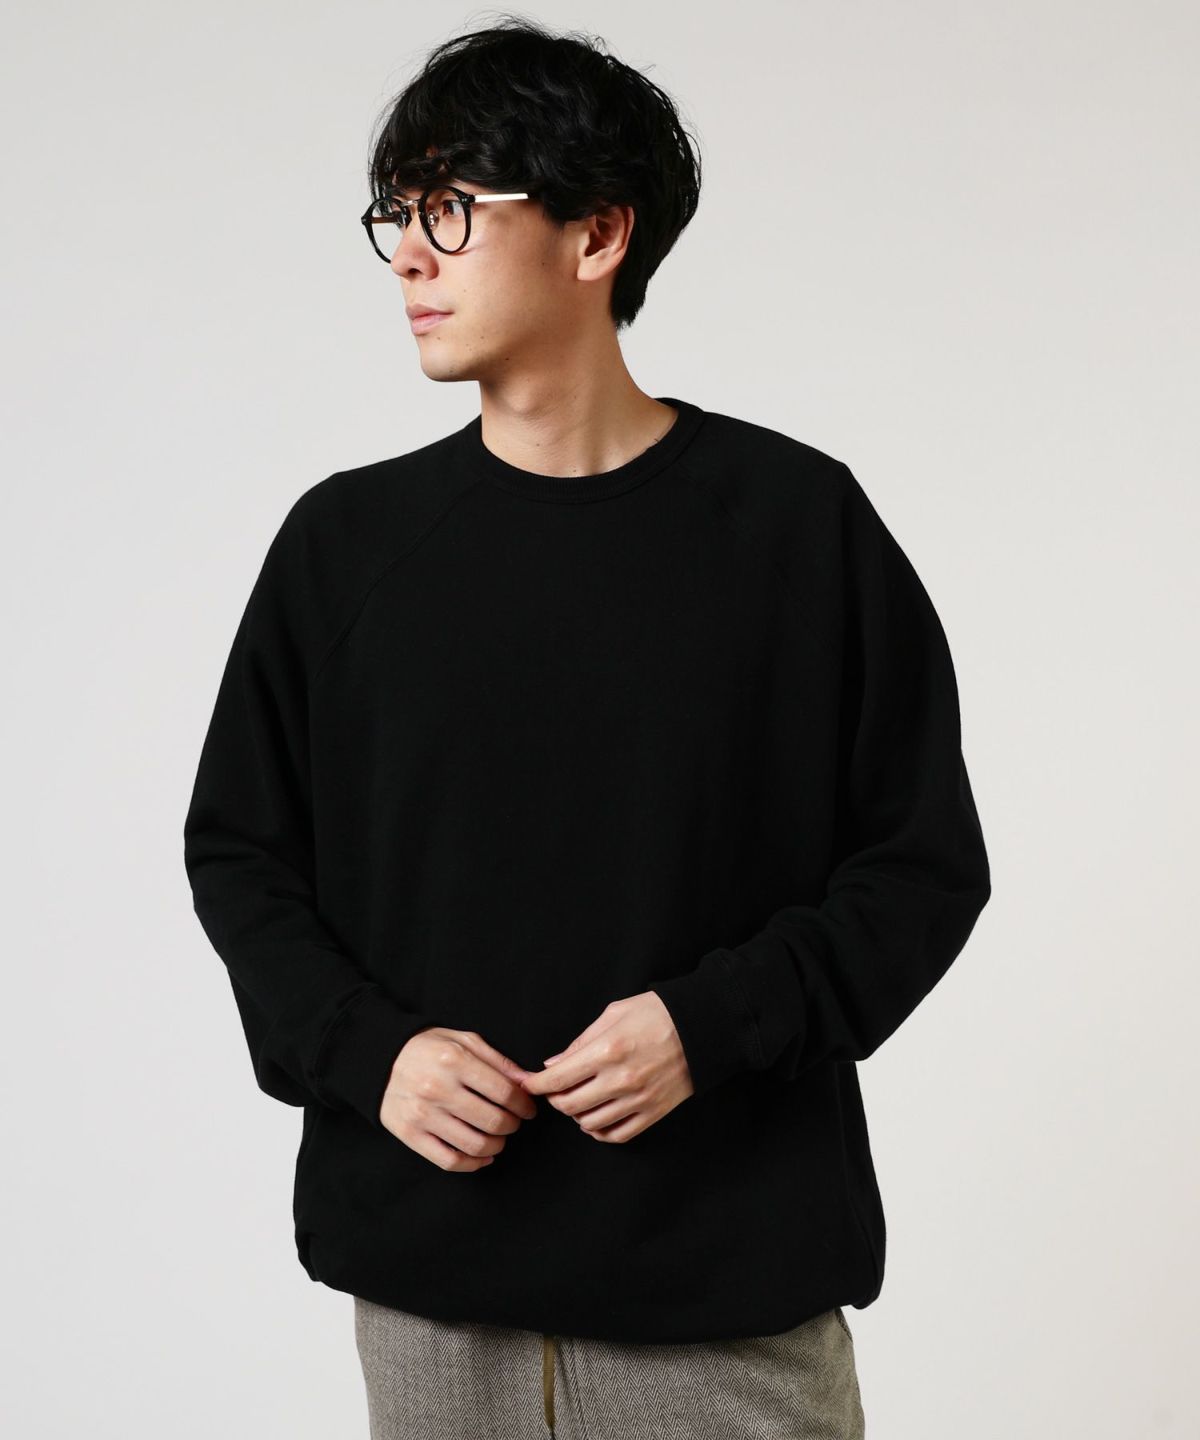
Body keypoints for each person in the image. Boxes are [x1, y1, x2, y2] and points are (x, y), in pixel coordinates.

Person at [182, 15, 991, 1439]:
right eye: (396, 215)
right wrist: (372, 1054)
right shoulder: (346, 547)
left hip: (726, 1302)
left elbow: (921, 867)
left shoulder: (797, 531)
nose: (409, 255)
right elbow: (242, 854)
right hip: (433, 1303)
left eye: (450, 207)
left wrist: (714, 1024)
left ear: (597, 233)